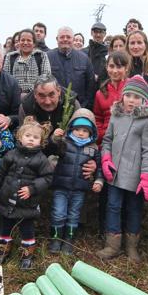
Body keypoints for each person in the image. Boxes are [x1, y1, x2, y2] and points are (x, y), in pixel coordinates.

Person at [96, 75, 148, 262]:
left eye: (137, 97)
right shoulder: (116, 115)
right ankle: (112, 244)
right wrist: (106, 159)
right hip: (114, 173)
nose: (131, 100)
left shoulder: (147, 121)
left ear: (144, 100)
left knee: (134, 209)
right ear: (123, 96)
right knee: (113, 207)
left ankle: (132, 246)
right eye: (128, 95)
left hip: (135, 176)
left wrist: (146, 176)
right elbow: (107, 140)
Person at [0, 120, 54, 270]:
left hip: (26, 203)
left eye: (35, 138)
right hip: (6, 200)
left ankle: (27, 253)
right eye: (27, 135)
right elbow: (0, 173)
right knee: (5, 226)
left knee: (26, 228)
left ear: (41, 142)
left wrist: (32, 189)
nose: (31, 139)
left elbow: (47, 178)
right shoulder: (11, 155)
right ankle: (3, 249)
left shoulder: (41, 159)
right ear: (20, 137)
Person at [49, 109, 103, 255]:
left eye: (85, 130)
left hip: (79, 189)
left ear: (91, 132)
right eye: (77, 129)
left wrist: (99, 180)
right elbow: (53, 148)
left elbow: (98, 167)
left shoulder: (93, 149)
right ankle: (55, 239)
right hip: (61, 186)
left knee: (74, 215)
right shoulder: (65, 144)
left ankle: (68, 241)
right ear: (71, 129)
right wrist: (55, 138)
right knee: (58, 213)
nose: (80, 133)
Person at [92, 51, 129, 232]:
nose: (115, 70)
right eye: (112, 66)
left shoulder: (131, 89)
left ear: (126, 68)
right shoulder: (101, 92)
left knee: (123, 185)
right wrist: (101, 134)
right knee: (106, 186)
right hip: (106, 144)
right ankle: (104, 228)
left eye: (119, 66)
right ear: (107, 68)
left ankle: (125, 226)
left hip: (127, 145)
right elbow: (98, 116)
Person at [18, 76, 81, 157]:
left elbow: (83, 135)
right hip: (37, 154)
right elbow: (22, 139)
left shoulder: (72, 103)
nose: (47, 102)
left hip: (67, 152)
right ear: (35, 95)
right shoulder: (26, 106)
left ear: (58, 91)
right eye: (42, 96)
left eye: (51, 95)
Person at [47, 26, 95, 109]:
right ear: (57, 39)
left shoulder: (84, 59)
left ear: (73, 39)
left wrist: (84, 107)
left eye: (68, 37)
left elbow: (91, 86)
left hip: (79, 107)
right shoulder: (47, 57)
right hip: (53, 108)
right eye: (62, 37)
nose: (65, 39)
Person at [3, 29, 52, 95]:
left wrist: (30, 91)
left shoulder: (41, 55)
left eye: (29, 40)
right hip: (14, 95)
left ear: (34, 43)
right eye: (22, 40)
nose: (25, 43)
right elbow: (6, 77)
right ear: (19, 42)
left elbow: (46, 76)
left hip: (37, 96)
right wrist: (18, 91)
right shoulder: (10, 56)